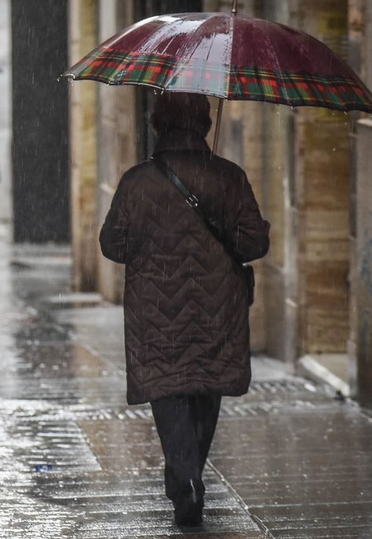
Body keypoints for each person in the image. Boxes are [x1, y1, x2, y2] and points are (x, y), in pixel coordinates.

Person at [99, 92, 270, 527]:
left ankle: (185, 477)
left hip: (156, 310)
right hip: (218, 307)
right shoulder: (229, 177)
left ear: (158, 125)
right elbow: (254, 244)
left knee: (169, 389)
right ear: (205, 124)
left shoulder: (137, 181)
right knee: (205, 388)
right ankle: (189, 474)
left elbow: (112, 246)